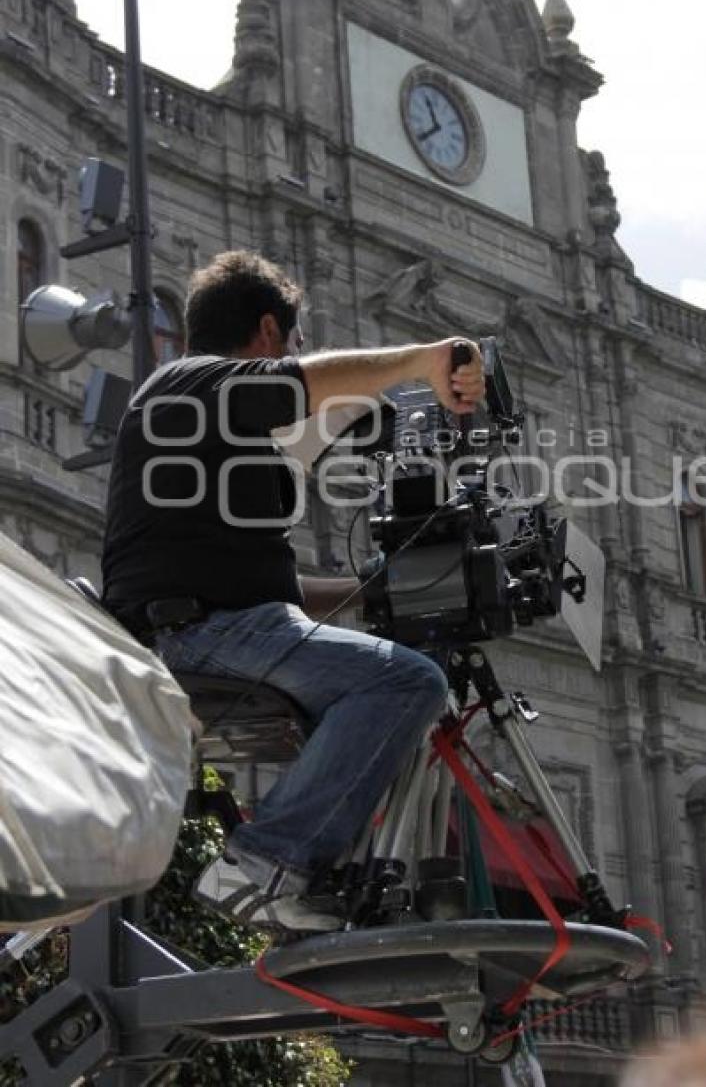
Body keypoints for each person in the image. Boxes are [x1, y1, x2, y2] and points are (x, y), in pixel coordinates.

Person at [101, 250, 484, 934]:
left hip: (212, 628)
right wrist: (426, 359)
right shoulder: (196, 383)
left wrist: (372, 593)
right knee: (406, 684)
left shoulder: (207, 427)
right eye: (295, 341)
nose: (298, 353)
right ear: (270, 332)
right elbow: (300, 383)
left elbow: (270, 594)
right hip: (198, 635)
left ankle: (311, 870)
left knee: (381, 681)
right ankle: (266, 861)